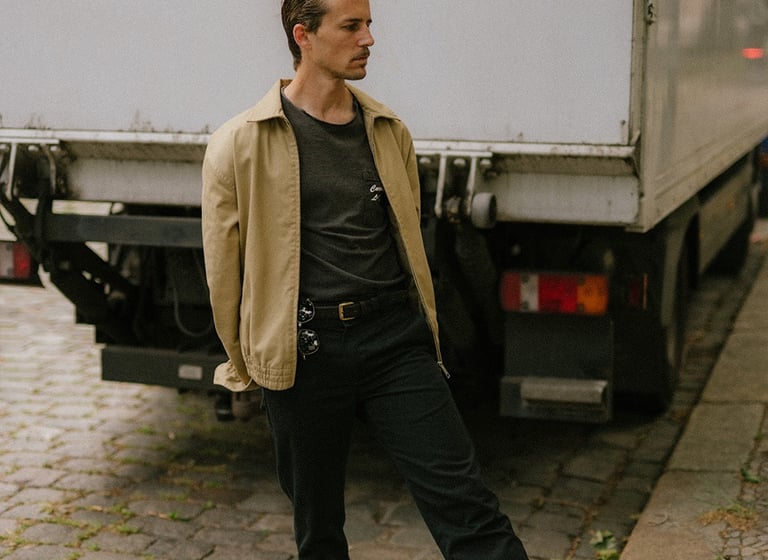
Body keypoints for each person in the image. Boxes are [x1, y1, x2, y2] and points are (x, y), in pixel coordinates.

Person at [201, 1, 529, 558]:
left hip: (394, 341)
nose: (369, 38)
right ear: (303, 35)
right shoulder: (241, 142)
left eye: (369, 24)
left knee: (469, 509)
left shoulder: (387, 130)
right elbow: (224, 274)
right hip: (303, 352)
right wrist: (250, 361)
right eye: (351, 26)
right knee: (319, 531)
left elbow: (406, 239)